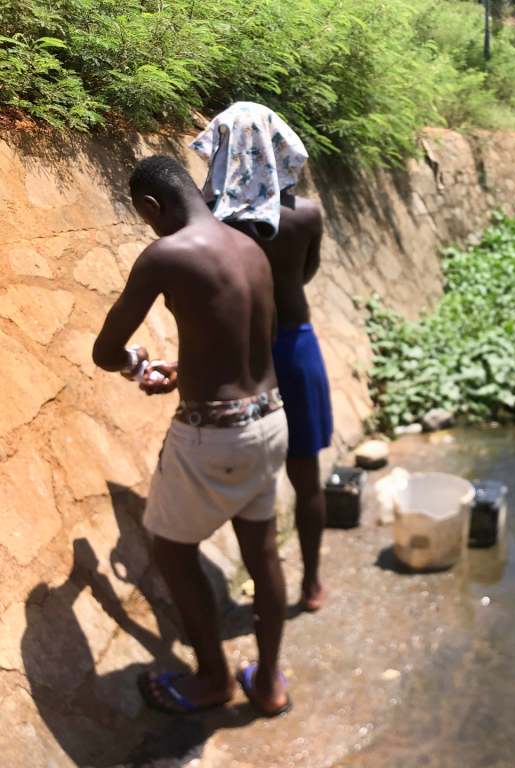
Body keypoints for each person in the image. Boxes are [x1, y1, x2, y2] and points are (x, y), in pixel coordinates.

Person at [92, 155, 291, 717]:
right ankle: (270, 682)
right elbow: (251, 344)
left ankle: (212, 679)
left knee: (172, 552)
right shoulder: (250, 248)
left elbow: (104, 352)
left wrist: (136, 365)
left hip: (214, 437)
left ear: (153, 207)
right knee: (264, 555)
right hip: (270, 418)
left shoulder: (166, 254)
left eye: (145, 216)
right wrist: (186, 372)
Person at [191, 103, 332, 613]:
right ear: (282, 151)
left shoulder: (212, 223)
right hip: (295, 347)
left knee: (248, 481)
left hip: (240, 356)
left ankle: (263, 584)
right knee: (306, 472)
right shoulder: (307, 215)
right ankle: (312, 583)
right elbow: (306, 275)